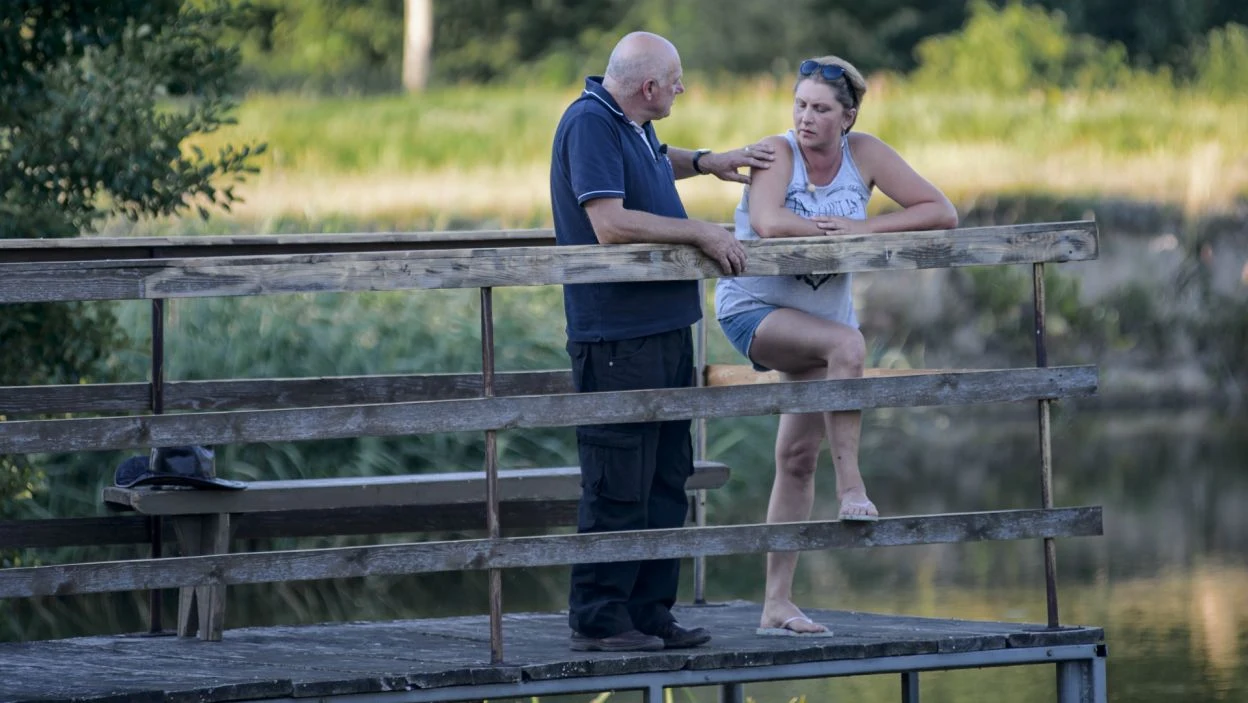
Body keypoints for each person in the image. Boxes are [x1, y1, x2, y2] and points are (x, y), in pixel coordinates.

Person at [714, 55, 958, 635]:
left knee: (797, 460)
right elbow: (769, 222)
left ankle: (776, 604)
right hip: (756, 311)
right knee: (850, 346)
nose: (805, 117)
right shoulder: (777, 153)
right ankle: (852, 490)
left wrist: (866, 229)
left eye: (820, 109)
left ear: (847, 117)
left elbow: (941, 212)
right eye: (800, 105)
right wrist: (835, 233)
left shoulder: (864, 154)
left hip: (819, 327)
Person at [549, 31, 775, 652]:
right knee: (619, 480)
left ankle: (649, 614)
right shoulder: (590, 123)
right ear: (649, 87)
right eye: (676, 81)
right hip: (617, 337)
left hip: (665, 329)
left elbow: (653, 157)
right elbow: (610, 222)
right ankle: (600, 618)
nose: (682, 88)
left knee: (666, 478)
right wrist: (700, 231)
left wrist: (705, 162)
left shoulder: (630, 122)